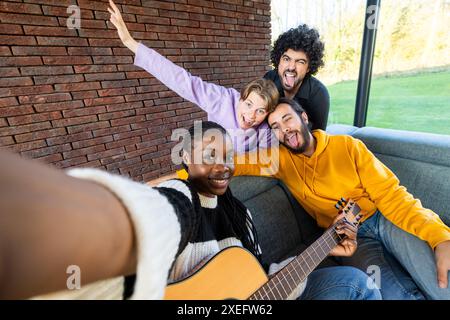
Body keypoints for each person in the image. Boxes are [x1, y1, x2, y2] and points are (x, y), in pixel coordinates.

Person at [0, 121, 381, 300]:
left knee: (358, 284)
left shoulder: (239, 214)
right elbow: (161, 214)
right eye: (210, 154)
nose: (223, 165)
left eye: (229, 156)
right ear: (185, 156)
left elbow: (261, 282)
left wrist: (328, 244)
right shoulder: (180, 195)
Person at [233, 97, 450, 300]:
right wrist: (201, 161)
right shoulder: (279, 160)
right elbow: (236, 163)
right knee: (392, 292)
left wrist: (440, 236)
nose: (284, 129)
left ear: (304, 118)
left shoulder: (347, 146)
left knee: (439, 277)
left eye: (287, 118)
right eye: (275, 127)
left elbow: (392, 195)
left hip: (383, 217)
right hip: (351, 239)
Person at [107, 0, 279, 153]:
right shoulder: (221, 99)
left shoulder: (266, 129)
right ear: (241, 99)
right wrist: (130, 43)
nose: (251, 115)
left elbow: (266, 160)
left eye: (260, 111)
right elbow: (181, 79)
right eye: (249, 104)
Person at [264, 25, 330, 131]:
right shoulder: (269, 80)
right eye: (286, 59)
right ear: (278, 60)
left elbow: (319, 137)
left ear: (309, 67)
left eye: (300, 62)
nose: (291, 67)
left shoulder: (319, 94)